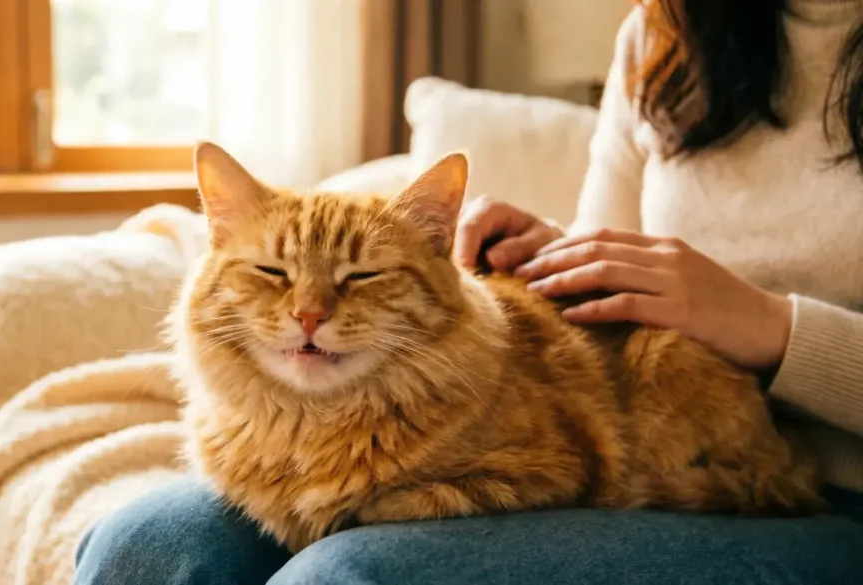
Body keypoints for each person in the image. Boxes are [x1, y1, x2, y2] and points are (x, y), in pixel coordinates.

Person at [74, 1, 863, 583]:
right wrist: (555, 250)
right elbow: (608, 269)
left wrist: (769, 325)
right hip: (623, 389)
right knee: (145, 542)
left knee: (346, 577)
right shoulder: (667, 32)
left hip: (824, 486)